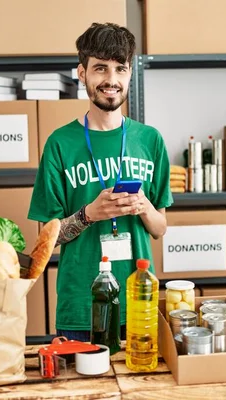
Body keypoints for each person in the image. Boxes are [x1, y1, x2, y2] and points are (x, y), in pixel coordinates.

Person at [28, 22, 173, 342]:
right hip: (81, 306)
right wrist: (88, 214)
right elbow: (45, 239)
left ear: (130, 74)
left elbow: (160, 229)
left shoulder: (150, 141)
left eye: (120, 69)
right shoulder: (59, 143)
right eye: (100, 68)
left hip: (139, 302)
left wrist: (145, 206)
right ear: (82, 73)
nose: (111, 79)